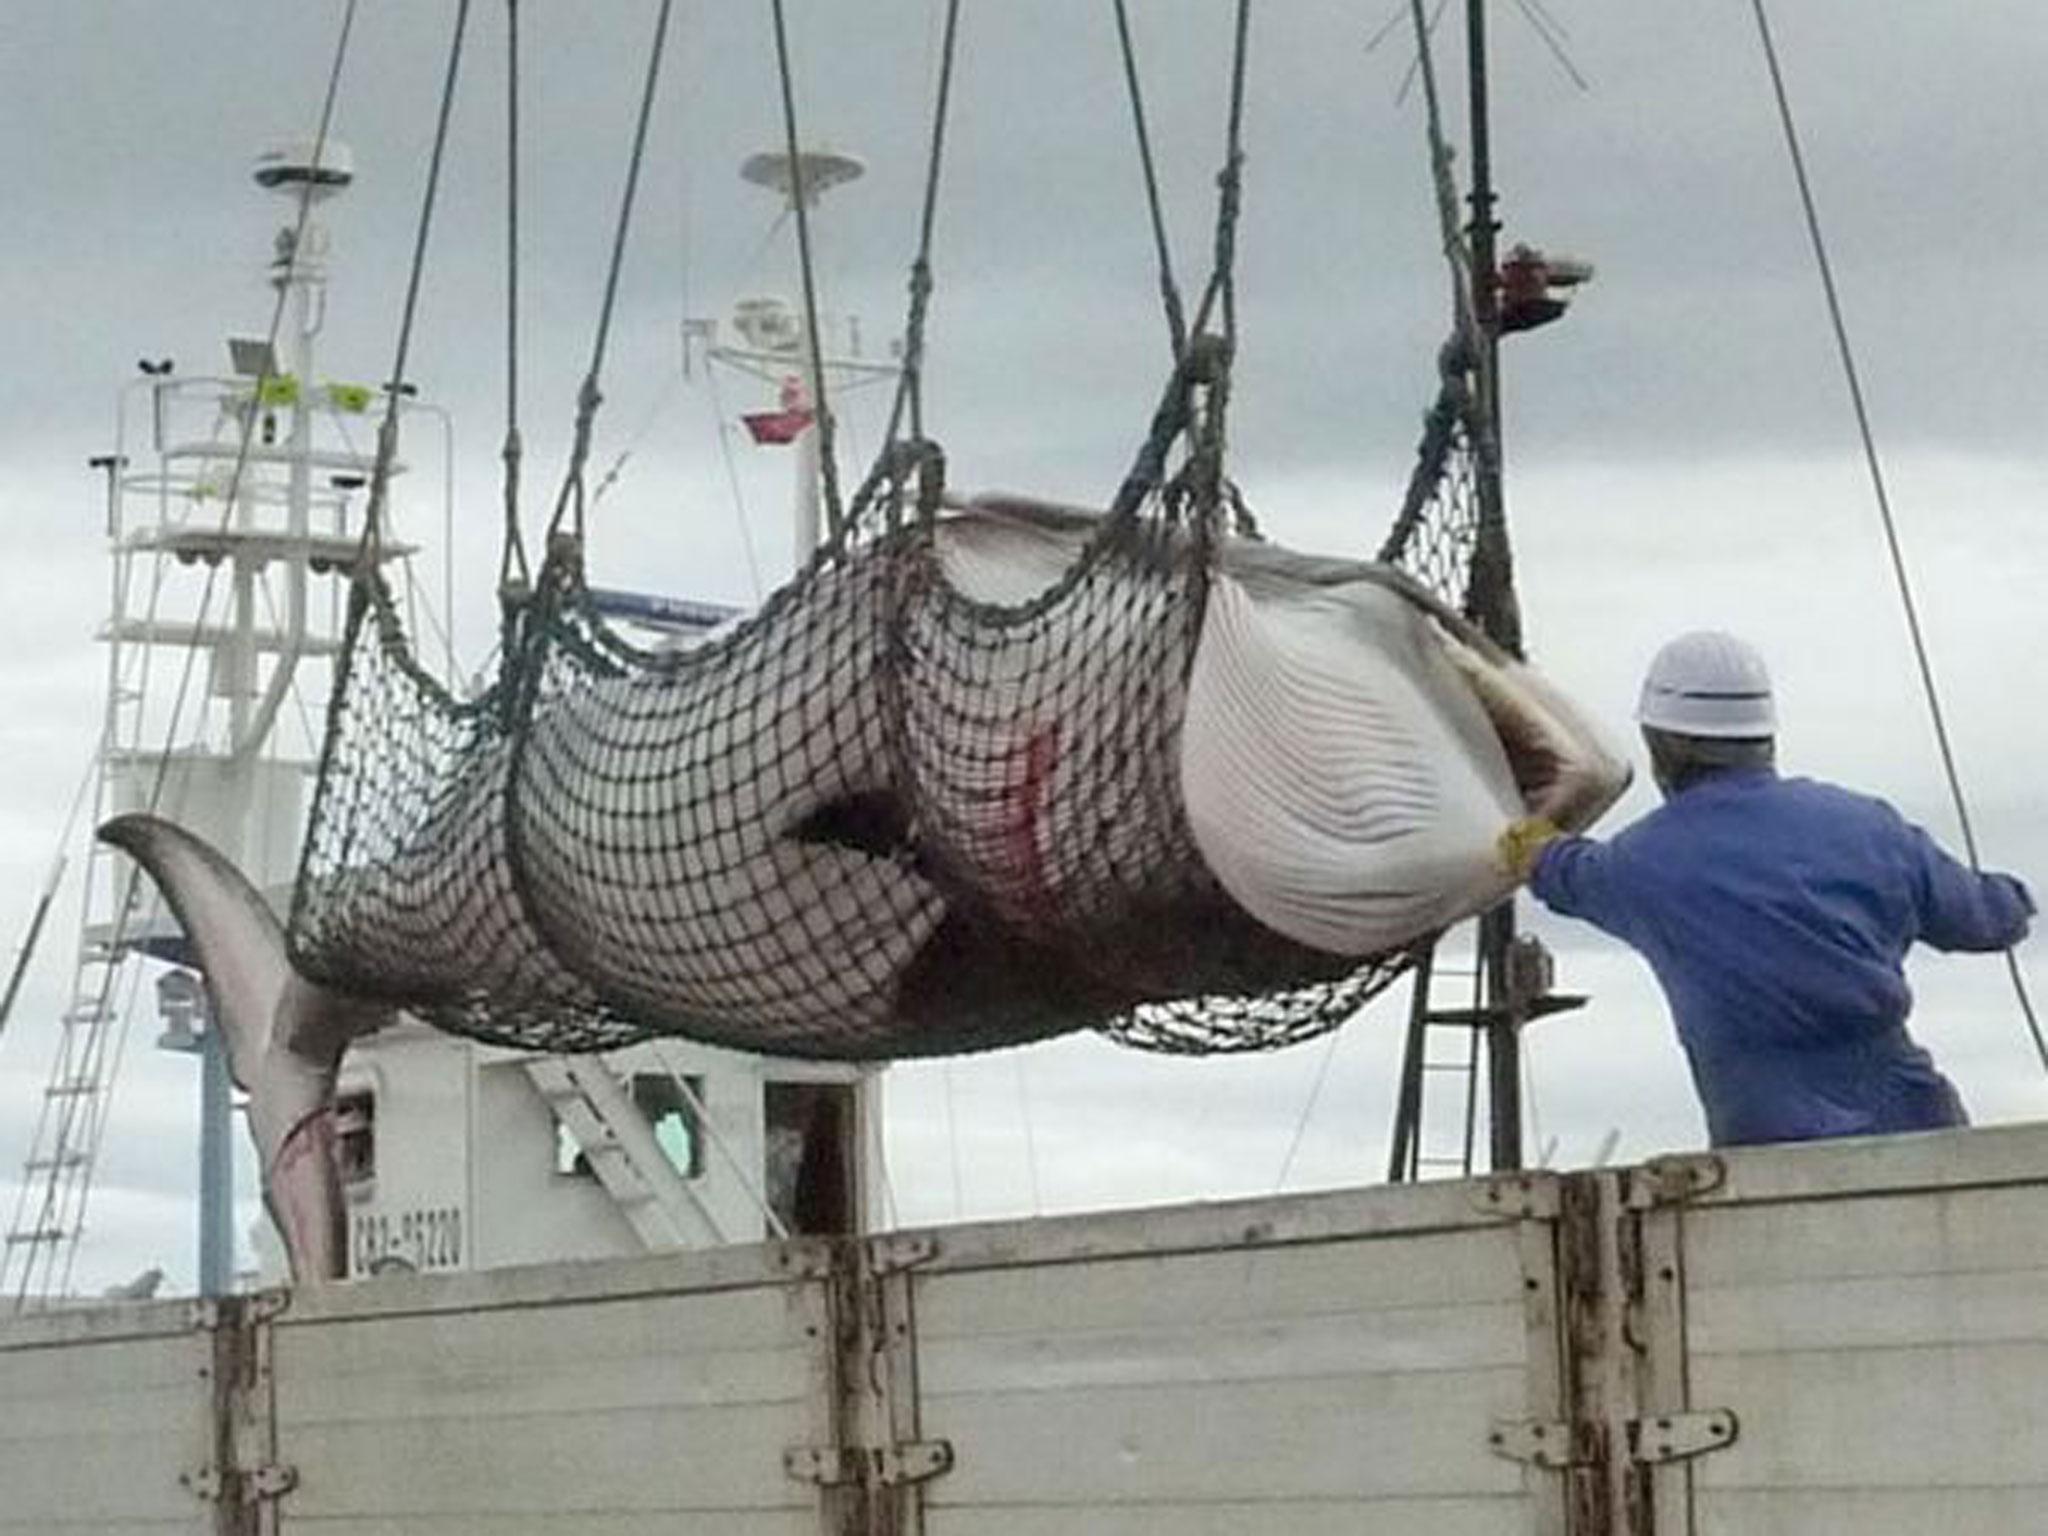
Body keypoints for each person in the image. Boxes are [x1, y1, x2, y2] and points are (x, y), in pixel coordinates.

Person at [1497, 630, 2034, 1148]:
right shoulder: (1868, 827)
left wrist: (1522, 836)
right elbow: (1988, 919)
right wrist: (2014, 897)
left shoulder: (1638, 865)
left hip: (1767, 1151)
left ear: (1659, 744)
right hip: (1921, 1136)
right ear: (1765, 736)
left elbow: (1556, 867)